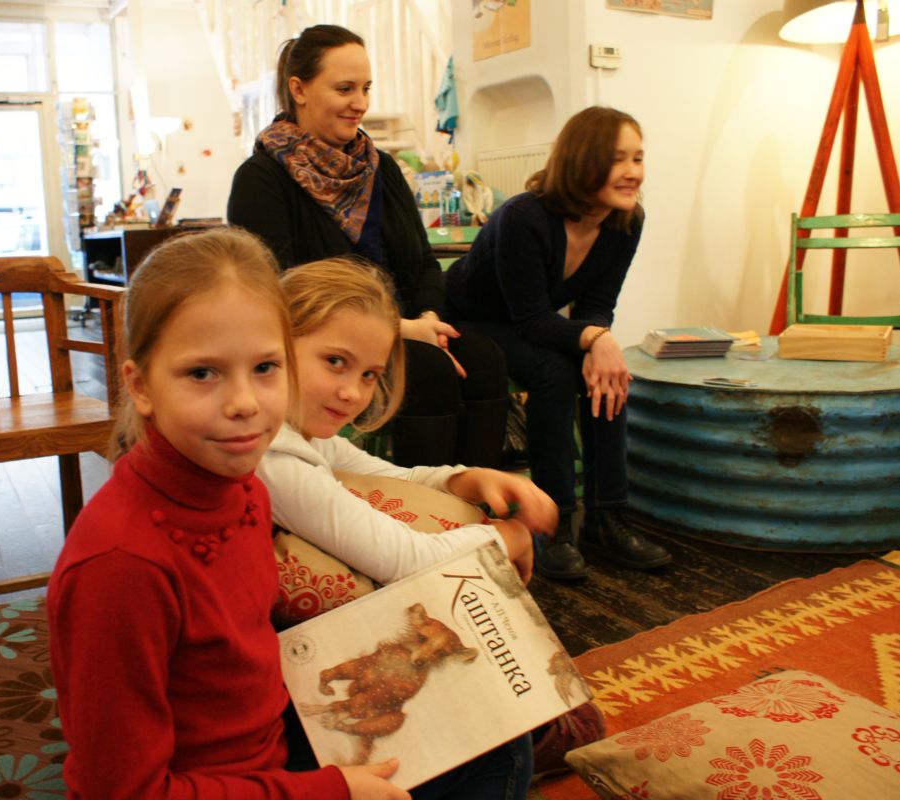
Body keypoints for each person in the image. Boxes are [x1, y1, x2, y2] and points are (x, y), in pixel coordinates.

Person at [47, 228, 409, 799]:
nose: (244, 403)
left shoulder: (244, 490)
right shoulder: (120, 567)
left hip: (270, 747)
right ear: (140, 386)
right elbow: (123, 791)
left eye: (265, 368)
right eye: (202, 373)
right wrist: (327, 792)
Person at [259, 258, 545, 796]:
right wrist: (506, 538)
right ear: (273, 346)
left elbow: (387, 476)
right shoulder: (274, 457)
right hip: (271, 715)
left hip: (281, 679)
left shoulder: (299, 435)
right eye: (335, 362)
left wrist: (464, 477)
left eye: (369, 375)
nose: (353, 392)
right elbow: (403, 560)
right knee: (506, 752)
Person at [227, 24, 509, 470]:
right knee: (429, 371)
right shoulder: (260, 179)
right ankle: (422, 505)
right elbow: (280, 293)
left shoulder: (382, 168)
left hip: (408, 329)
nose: (360, 102)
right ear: (299, 90)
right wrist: (398, 330)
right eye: (344, 89)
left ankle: (475, 499)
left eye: (365, 88)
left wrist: (428, 319)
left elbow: (423, 263)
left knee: (485, 358)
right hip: (325, 346)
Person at [444, 106, 672, 582]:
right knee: (555, 371)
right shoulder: (523, 217)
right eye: (617, 159)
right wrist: (594, 338)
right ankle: (552, 524)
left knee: (607, 373)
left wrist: (598, 343)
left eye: (638, 158)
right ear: (582, 160)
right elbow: (531, 318)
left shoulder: (626, 221)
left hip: (532, 323)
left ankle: (608, 517)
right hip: (472, 320)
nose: (633, 171)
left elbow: (596, 304)